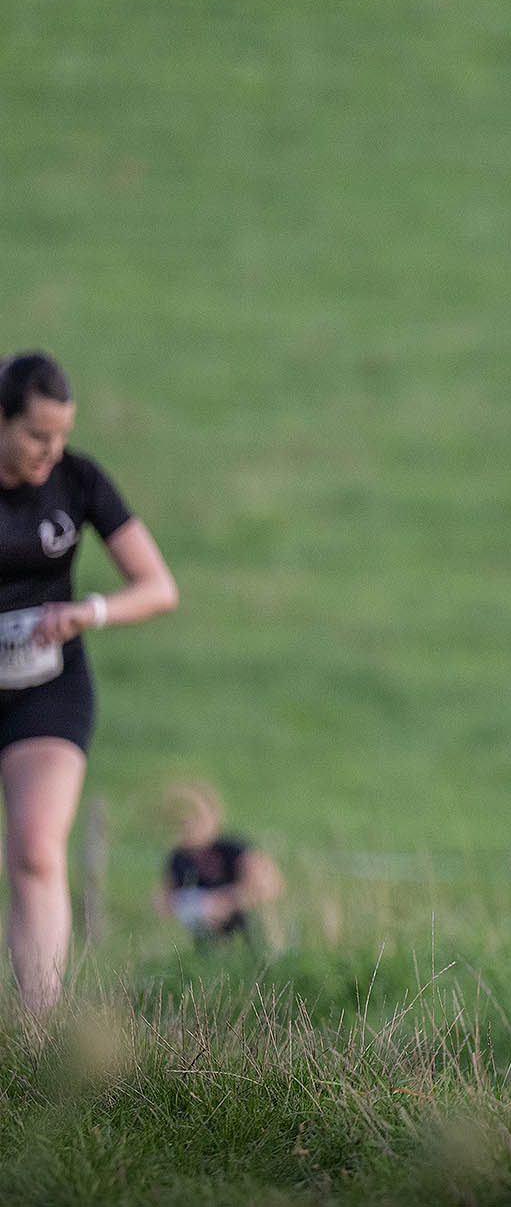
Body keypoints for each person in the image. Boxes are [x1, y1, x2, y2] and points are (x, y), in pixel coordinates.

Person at [0, 351, 177, 1015]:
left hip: (47, 686)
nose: (52, 450)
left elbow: (158, 587)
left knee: (37, 850)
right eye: (36, 435)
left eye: (62, 434)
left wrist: (88, 612)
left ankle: (37, 1034)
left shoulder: (77, 480)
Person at [154, 780, 283, 946]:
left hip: (247, 931)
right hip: (205, 937)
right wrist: (190, 906)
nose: (190, 826)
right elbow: (161, 903)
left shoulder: (234, 849)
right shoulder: (178, 859)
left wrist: (227, 902)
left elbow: (271, 887)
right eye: (182, 821)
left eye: (196, 818)